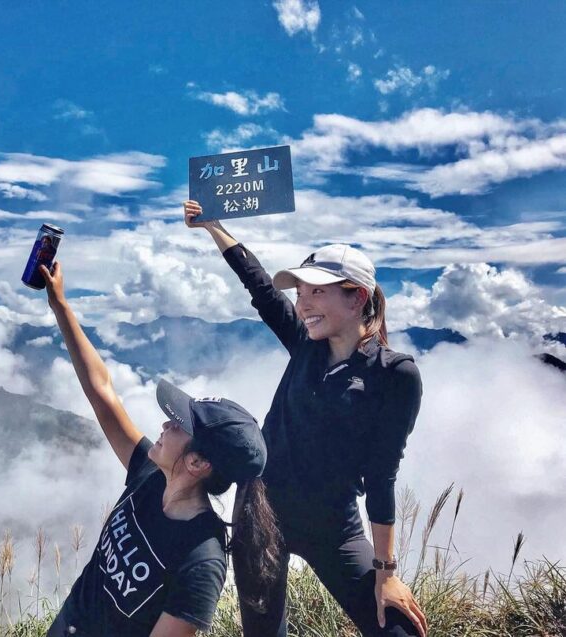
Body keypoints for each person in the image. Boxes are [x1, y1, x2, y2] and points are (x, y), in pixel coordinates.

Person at [183, 200, 428, 637]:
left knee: (397, 630)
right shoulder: (305, 345)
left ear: (358, 298)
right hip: (260, 512)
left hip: (334, 525)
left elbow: (382, 474)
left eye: (316, 292)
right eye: (300, 294)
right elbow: (260, 287)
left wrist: (386, 573)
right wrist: (214, 227)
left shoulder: (395, 375)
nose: (302, 305)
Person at [38, 260, 282, 637]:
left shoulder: (201, 559)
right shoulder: (150, 476)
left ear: (198, 463)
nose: (166, 425)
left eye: (179, 425)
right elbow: (101, 393)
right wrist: (61, 306)